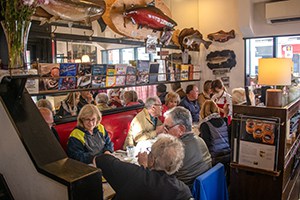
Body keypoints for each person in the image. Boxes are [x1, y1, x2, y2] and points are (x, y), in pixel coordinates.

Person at [94, 134, 193, 200]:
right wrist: (144, 169)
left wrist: (143, 168)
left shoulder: (135, 175)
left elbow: (101, 160)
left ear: (152, 159)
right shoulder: (183, 191)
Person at [163, 106, 212, 189]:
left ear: (181, 129)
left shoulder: (175, 151)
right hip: (204, 189)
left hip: (183, 193)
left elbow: (160, 179)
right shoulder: (200, 140)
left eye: (167, 128)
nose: (164, 132)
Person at [199, 100, 230, 166]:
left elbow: (206, 145)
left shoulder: (205, 125)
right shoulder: (224, 121)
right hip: (228, 155)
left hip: (215, 158)